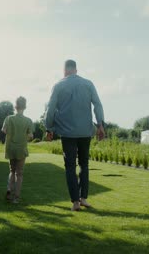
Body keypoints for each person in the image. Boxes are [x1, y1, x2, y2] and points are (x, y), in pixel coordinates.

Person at [45, 59, 105, 211]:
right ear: (76, 70)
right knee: (84, 164)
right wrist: (100, 125)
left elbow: (50, 109)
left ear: (64, 70)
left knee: (70, 167)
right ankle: (83, 198)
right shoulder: (88, 84)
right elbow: (98, 105)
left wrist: (49, 128)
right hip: (85, 131)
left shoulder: (58, 85)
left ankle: (75, 202)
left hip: (67, 133)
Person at [2, 96, 33, 204]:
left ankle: (9, 190)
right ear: (24, 106)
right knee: (19, 173)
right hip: (21, 149)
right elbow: (30, 135)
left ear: (15, 106)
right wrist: (24, 136)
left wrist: (12, 133)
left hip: (10, 148)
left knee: (12, 170)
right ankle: (16, 197)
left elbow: (4, 130)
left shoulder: (9, 118)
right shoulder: (28, 121)